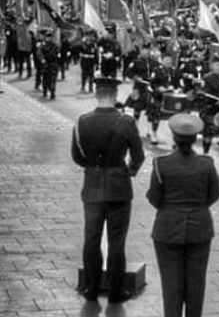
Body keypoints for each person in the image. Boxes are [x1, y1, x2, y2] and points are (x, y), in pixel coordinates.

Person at [71, 76, 145, 303]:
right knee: (117, 240)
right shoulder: (127, 122)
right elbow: (139, 156)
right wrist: (128, 172)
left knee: (91, 238)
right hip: (119, 188)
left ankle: (91, 290)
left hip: (92, 187)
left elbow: (77, 156)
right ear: (115, 96)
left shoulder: (82, 121)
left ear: (96, 95)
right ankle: (115, 292)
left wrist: (93, 168)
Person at [147, 114, 219, 317]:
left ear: (174, 137)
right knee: (196, 285)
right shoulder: (206, 164)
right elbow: (214, 194)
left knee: (171, 284)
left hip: (167, 228)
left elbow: (154, 198)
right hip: (200, 228)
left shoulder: (161, 165)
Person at [36, 29, 61, 100]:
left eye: (50, 37)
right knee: (45, 79)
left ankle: (52, 92)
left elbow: (58, 54)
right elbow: (39, 53)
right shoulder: (42, 45)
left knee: (53, 79)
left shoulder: (55, 45)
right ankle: (45, 91)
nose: (49, 38)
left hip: (53, 64)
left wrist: (57, 58)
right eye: (48, 36)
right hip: (46, 64)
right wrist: (42, 60)